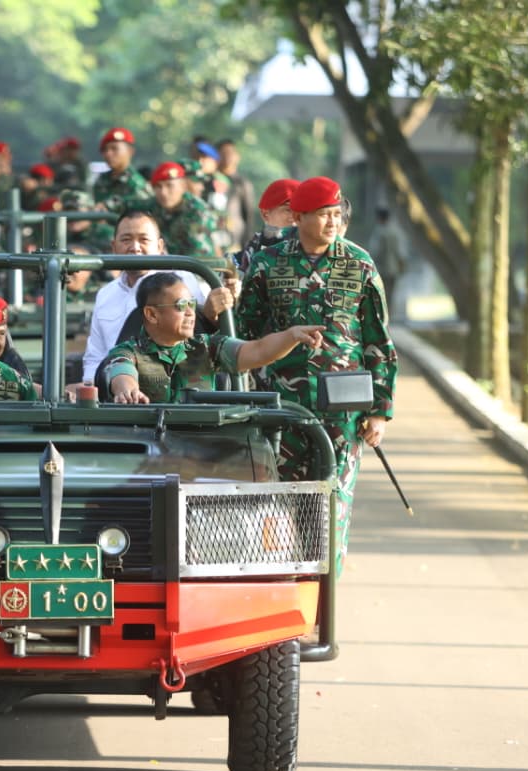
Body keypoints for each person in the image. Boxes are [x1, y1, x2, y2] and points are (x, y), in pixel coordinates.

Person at [236, 175, 398, 574]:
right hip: (281, 408)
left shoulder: (359, 263)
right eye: (323, 215)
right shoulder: (267, 264)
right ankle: (289, 601)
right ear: (298, 217)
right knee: (283, 505)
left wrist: (380, 411)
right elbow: (245, 335)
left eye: (336, 213)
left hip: (344, 412)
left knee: (333, 505)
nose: (332, 222)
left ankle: (325, 608)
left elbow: (379, 341)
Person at [105, 273, 323, 404]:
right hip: (151, 450)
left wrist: (291, 335)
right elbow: (122, 374)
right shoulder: (128, 352)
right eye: (181, 306)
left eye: (191, 304)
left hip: (205, 448)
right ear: (151, 314)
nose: (191, 312)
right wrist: (128, 391)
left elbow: (258, 350)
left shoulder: (207, 347)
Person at [80, 210, 235, 384]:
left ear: (160, 247)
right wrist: (88, 388)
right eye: (126, 240)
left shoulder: (182, 280)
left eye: (144, 240)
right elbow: (96, 355)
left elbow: (201, 336)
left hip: (172, 388)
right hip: (115, 389)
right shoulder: (106, 294)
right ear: (114, 246)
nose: (135, 248)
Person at [149, 161, 217, 258]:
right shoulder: (153, 205)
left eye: (169, 186)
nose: (163, 192)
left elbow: (195, 255)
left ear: (183, 187)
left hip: (198, 268)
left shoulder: (197, 211)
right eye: (158, 186)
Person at [234, 178, 299, 278]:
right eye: (288, 210)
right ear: (265, 214)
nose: (296, 217)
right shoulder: (252, 250)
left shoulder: (312, 247)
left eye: (301, 211)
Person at [92, 127, 153, 217]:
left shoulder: (137, 184)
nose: (108, 154)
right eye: (105, 150)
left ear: (130, 151)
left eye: (114, 148)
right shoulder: (101, 180)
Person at [215, 139, 254, 253]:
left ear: (237, 157)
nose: (227, 157)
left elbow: (248, 216)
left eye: (230, 153)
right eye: (223, 153)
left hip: (235, 241)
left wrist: (246, 245)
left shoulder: (242, 183)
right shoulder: (209, 182)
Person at [367, 206, 407, 315]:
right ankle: (389, 316)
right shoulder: (395, 232)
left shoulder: (378, 232)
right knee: (390, 294)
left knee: (380, 293)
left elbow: (374, 251)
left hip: (380, 268)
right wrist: (402, 266)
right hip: (393, 269)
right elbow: (401, 252)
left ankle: (382, 315)